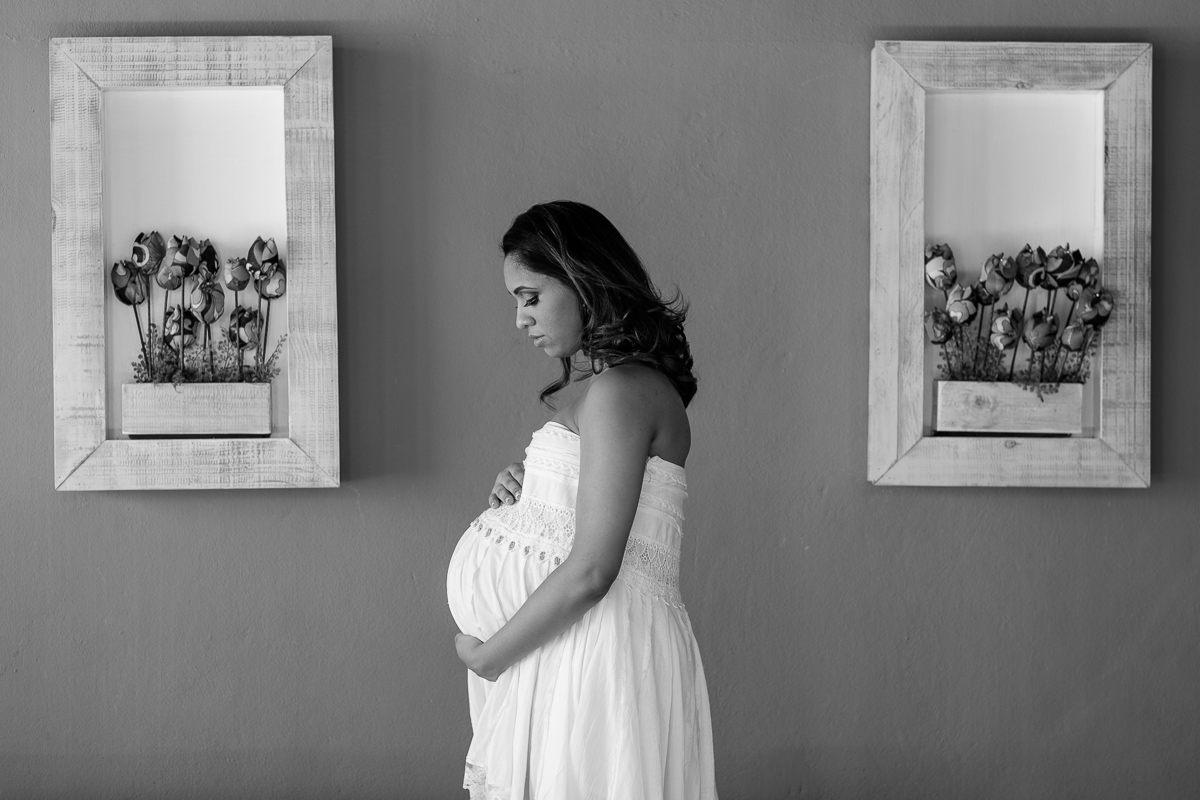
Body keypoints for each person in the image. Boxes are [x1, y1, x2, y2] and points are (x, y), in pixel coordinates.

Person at [447, 201, 718, 800]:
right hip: (572, 651)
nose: (520, 319)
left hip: (594, 656)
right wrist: (524, 501)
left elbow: (594, 569)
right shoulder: (614, 390)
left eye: (530, 296)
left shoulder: (623, 390)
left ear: (582, 280)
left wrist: (491, 657)